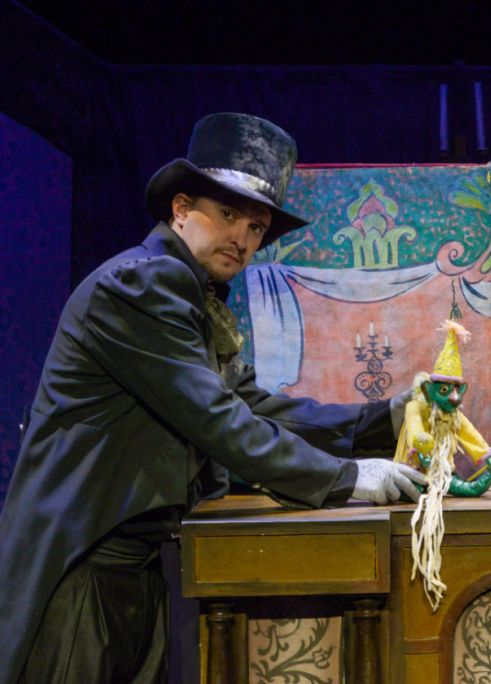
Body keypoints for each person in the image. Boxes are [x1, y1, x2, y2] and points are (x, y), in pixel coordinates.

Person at [0, 112, 425, 683]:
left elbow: (254, 407)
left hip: (136, 568)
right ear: (180, 209)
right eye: (228, 214)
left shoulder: (188, 296)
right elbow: (217, 419)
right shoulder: (141, 284)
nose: (242, 239)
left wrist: (385, 419)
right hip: (85, 566)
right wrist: (346, 479)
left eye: (256, 227)